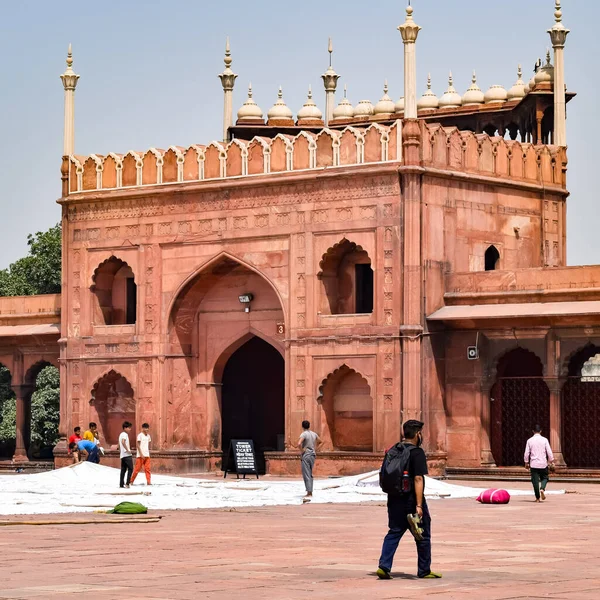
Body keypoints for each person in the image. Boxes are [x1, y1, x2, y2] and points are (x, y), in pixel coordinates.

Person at [377, 419, 442, 580]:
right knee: (423, 533)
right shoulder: (417, 452)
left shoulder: (393, 450)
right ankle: (424, 570)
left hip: (393, 498)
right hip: (411, 499)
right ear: (418, 434)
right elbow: (418, 479)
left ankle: (384, 566)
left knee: (394, 531)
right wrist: (419, 505)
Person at [524, 424, 555, 502]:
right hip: (543, 463)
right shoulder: (545, 440)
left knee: (535, 481)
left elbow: (527, 453)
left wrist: (526, 462)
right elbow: (549, 451)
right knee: (545, 477)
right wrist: (551, 460)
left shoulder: (529, 440)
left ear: (533, 431)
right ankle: (542, 488)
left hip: (534, 464)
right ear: (541, 431)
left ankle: (537, 498)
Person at [297, 420, 321, 503]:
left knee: (306, 473)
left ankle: (309, 492)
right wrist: (315, 448)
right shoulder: (313, 434)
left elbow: (299, 443)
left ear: (302, 426)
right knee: (310, 473)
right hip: (312, 455)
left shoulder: (304, 434)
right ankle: (310, 491)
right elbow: (320, 441)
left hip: (306, 455)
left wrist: (302, 451)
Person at [119, 421, 134, 488]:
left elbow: (119, 443)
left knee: (123, 469)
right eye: (129, 428)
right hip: (127, 454)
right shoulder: (125, 434)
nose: (130, 429)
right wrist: (128, 450)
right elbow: (123, 442)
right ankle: (127, 483)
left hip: (122, 455)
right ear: (125, 428)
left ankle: (121, 484)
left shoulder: (121, 434)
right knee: (130, 468)